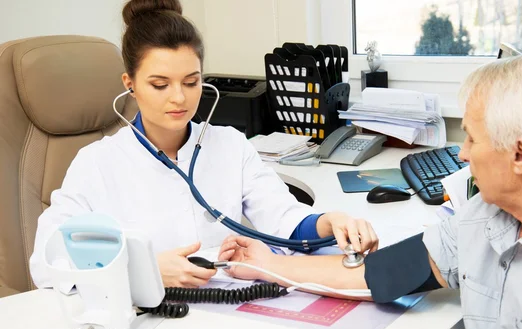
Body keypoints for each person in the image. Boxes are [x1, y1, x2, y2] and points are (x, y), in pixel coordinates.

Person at [218, 50, 522, 329]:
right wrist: (268, 265)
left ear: (521, 154)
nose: (462, 153)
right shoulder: (488, 214)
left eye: (470, 138)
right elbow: (385, 272)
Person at [29, 0, 379, 290]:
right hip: (147, 322)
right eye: (159, 84)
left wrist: (331, 222)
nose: (178, 98)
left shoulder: (229, 145)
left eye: (191, 81)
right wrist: (142, 269)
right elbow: (47, 261)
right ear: (130, 83)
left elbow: (284, 221)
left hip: (229, 313)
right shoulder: (98, 163)